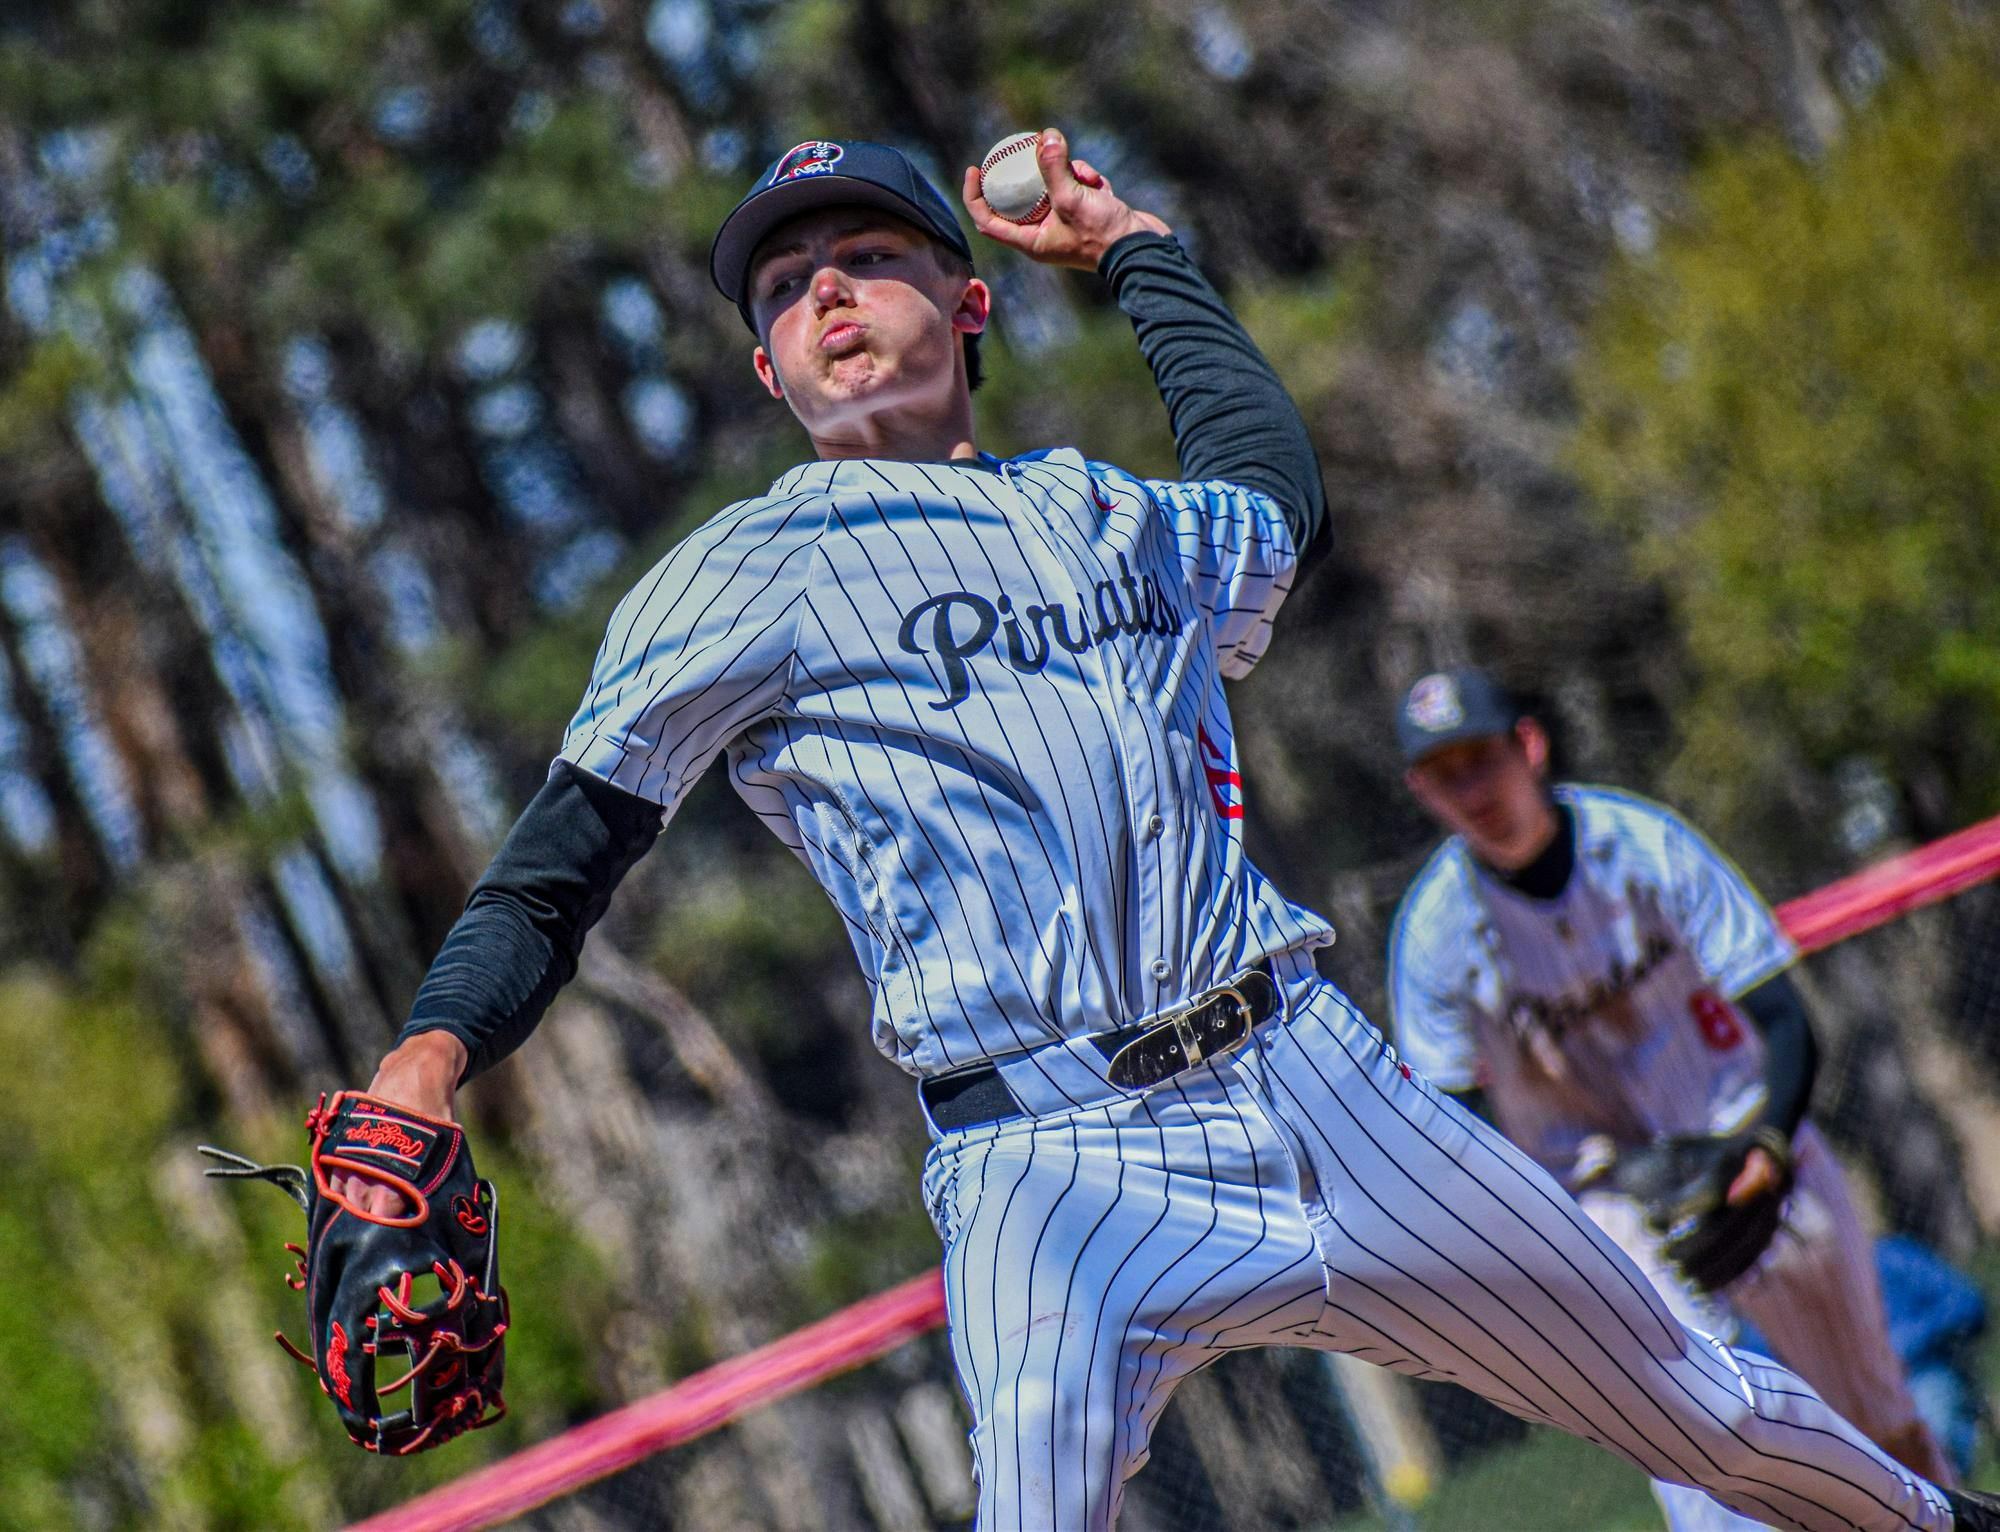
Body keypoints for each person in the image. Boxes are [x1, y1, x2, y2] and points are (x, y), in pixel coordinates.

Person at [339, 132, 1995, 1531]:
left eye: (869, 255)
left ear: (970, 302)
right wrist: (426, 1058)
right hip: (1047, 1161)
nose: (827, 291)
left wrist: (1139, 251)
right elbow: (562, 861)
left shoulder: (1107, 512)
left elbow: (1277, 496)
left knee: (1709, 1411)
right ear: (767, 369)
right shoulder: (730, 581)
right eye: (786, 285)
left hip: (1312, 1073)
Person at [1386, 667, 1964, 1531]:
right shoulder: (1435, 933)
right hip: (1605, 1198)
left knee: (1884, 1427)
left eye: (1481, 759)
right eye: (1445, 776)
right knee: (1697, 1439)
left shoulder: (1642, 844)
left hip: (1746, 1139)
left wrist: (1767, 1145)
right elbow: (1450, 1126)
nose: (1473, 791)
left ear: (1528, 746)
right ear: (1421, 793)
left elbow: (1783, 1017)